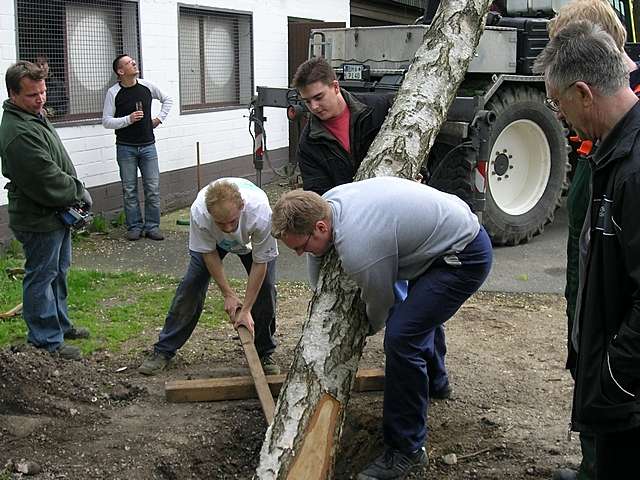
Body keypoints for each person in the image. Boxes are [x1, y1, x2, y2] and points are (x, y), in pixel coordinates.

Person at [271, 177, 492, 479]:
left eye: (301, 246)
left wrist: (367, 329)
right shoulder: (328, 203)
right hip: (443, 236)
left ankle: (407, 450)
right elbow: (318, 254)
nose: (300, 253)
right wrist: (318, 291)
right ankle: (435, 383)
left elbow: (380, 305)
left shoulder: (360, 246)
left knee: (401, 338)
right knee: (417, 317)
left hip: (463, 256)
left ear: (321, 228)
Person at [292, 56, 451, 399]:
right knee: (392, 302)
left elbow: (419, 139)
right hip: (358, 230)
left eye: (319, 97)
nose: (314, 107)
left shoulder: (378, 108)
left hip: (400, 223)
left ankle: (436, 376)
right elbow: (319, 195)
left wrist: (419, 171)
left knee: (420, 304)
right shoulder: (310, 141)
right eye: (307, 102)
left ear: (336, 86)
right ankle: (417, 370)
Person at [534, 20, 640, 478]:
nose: (560, 116)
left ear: (583, 92)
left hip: (629, 392)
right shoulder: (610, 153)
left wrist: (615, 373)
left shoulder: (634, 170)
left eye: (559, 104)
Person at [139, 178, 279, 376]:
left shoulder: (261, 212)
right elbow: (208, 254)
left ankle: (264, 352)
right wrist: (228, 294)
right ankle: (164, 350)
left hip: (251, 238)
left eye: (232, 222)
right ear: (210, 214)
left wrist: (246, 309)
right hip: (215, 243)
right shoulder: (200, 213)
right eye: (222, 223)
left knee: (265, 288)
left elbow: (260, 262)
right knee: (191, 286)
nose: (229, 229)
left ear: (242, 207)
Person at [0, 61, 92, 360]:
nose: (40, 99)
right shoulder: (18, 132)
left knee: (58, 272)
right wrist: (79, 191)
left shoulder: (33, 116)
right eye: (31, 95)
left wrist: (74, 194)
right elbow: (46, 177)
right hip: (37, 218)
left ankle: (60, 325)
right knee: (41, 276)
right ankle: (45, 340)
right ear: (13, 94)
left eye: (43, 91)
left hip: (54, 213)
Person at [102, 54, 173, 241]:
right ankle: (134, 226)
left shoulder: (147, 86)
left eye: (133, 61)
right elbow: (106, 121)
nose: (133, 63)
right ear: (120, 71)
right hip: (125, 147)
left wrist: (159, 119)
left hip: (148, 145)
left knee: (152, 187)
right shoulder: (113, 92)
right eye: (128, 62)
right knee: (129, 189)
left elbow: (168, 100)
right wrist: (128, 119)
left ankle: (152, 227)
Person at [34, 53, 68, 118]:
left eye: (43, 64)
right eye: (38, 65)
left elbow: (64, 106)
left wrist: (48, 111)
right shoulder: (31, 84)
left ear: (48, 65)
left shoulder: (59, 84)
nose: (41, 67)